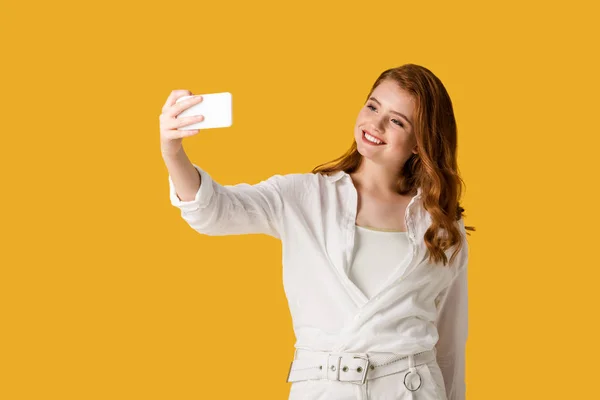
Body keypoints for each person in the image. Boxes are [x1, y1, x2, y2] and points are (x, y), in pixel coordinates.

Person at [160, 63, 475, 400]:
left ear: (419, 142)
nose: (376, 124)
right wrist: (172, 152)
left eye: (397, 121)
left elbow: (450, 344)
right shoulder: (304, 197)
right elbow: (213, 211)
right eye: (372, 106)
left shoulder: (441, 225)